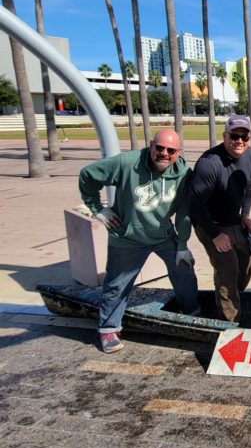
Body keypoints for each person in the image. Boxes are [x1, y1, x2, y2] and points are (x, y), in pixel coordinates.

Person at [79, 128, 198, 353]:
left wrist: (182, 245)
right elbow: (88, 174)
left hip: (163, 235)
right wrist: (98, 209)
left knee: (184, 270)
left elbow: (184, 212)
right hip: (127, 237)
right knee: (117, 284)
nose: (164, 153)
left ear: (178, 152)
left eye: (170, 150)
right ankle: (108, 329)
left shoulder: (183, 174)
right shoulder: (127, 163)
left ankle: (192, 313)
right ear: (151, 146)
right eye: (159, 147)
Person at [190, 115, 251, 323]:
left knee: (247, 260)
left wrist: (245, 214)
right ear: (224, 136)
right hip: (209, 223)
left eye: (244, 136)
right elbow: (195, 206)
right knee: (227, 266)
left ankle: (225, 296)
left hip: (233, 221)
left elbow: (250, 187)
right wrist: (215, 235)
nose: (239, 141)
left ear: (249, 137)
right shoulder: (209, 164)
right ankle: (229, 323)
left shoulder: (249, 155)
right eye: (234, 136)